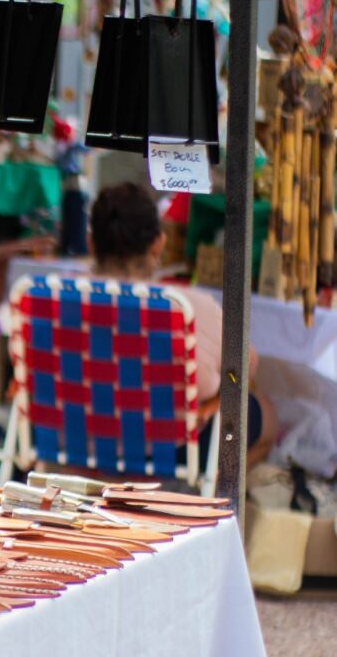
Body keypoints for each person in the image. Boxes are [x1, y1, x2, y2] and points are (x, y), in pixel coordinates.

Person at [88, 183, 278, 467]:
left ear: (91, 242)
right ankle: (204, 500)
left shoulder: (48, 300)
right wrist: (218, 393)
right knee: (263, 413)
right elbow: (245, 367)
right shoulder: (188, 307)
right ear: (158, 243)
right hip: (165, 454)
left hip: (77, 448)